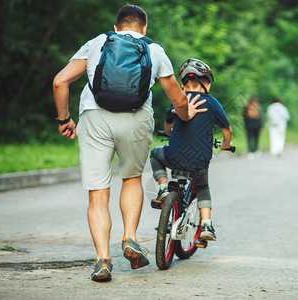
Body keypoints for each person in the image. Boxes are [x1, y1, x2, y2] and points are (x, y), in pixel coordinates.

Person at [52, 5, 206, 282]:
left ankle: (102, 259)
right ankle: (130, 238)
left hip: (94, 118)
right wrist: (187, 114)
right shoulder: (154, 49)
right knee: (132, 178)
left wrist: (64, 120)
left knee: (98, 193)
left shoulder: (97, 42)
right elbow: (178, 99)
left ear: (116, 28)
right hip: (136, 119)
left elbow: (59, 82)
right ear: (144, 29)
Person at [150, 58, 233, 242]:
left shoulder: (178, 101)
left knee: (156, 153)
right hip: (200, 161)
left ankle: (163, 187)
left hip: (173, 157)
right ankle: (206, 224)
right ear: (207, 85)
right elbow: (227, 130)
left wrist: (172, 133)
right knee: (202, 187)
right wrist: (226, 144)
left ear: (183, 86)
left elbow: (168, 129)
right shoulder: (212, 103)